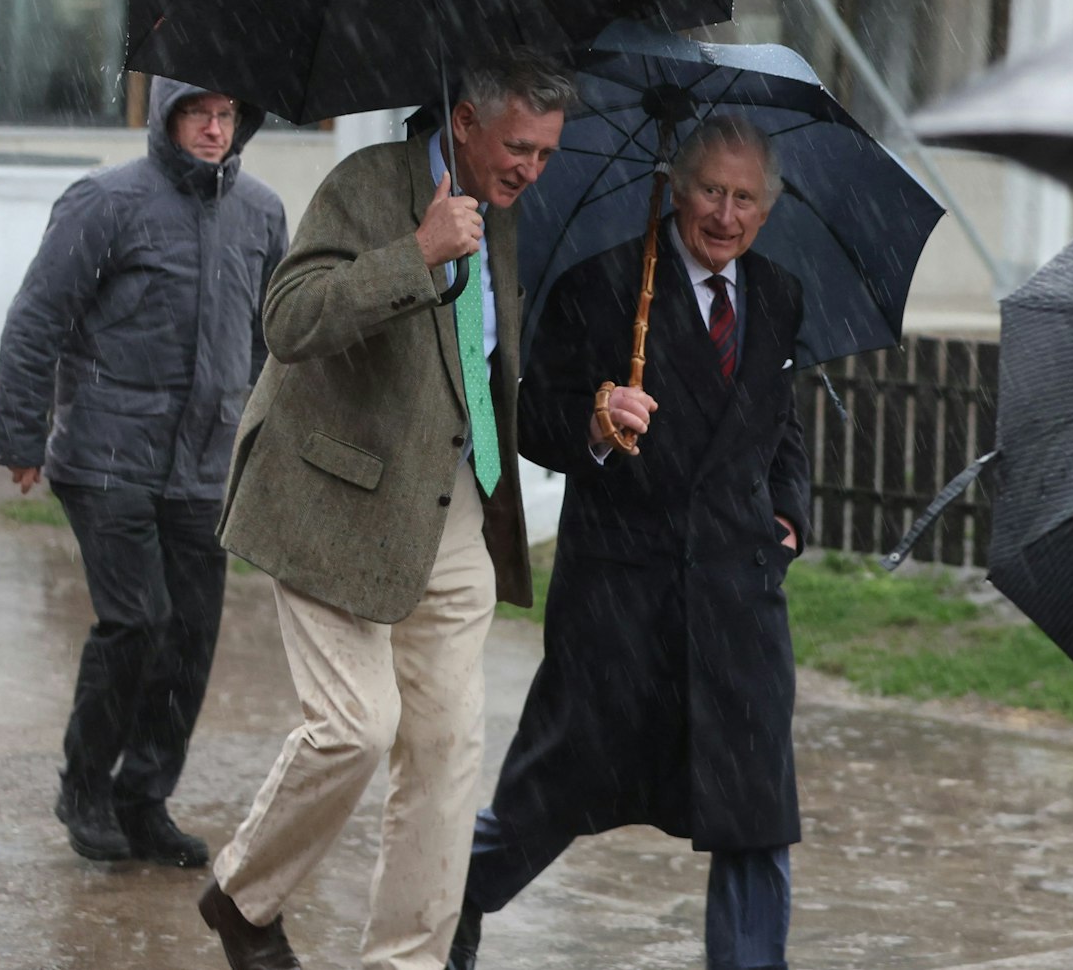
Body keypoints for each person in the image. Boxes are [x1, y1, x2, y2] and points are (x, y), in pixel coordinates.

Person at [196, 48, 572, 970]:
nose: (531, 168)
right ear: (467, 121)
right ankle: (244, 896)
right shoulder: (367, 184)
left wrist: (590, 416)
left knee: (446, 755)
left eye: (549, 154)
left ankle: (405, 962)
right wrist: (416, 253)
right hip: (330, 497)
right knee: (356, 729)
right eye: (519, 146)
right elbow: (288, 320)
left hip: (453, 510)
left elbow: (484, 369)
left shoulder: (507, 215)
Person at [448, 116, 811, 970]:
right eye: (711, 192)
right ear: (678, 190)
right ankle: (454, 894)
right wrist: (599, 423)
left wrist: (790, 510)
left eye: (745, 198)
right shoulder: (602, 286)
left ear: (768, 208)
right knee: (552, 797)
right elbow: (529, 419)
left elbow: (780, 426)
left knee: (754, 816)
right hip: (621, 602)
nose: (725, 215)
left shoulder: (782, 295)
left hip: (736, 602)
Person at [0, 78, 286, 868]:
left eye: (229, 114)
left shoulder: (260, 212)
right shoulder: (105, 201)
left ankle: (143, 797)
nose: (216, 129)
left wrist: (258, 443)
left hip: (203, 462)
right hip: (106, 455)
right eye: (200, 113)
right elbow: (38, 316)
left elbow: (267, 340)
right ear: (166, 116)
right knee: (137, 622)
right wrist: (21, 434)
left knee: (190, 637)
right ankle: (85, 785)